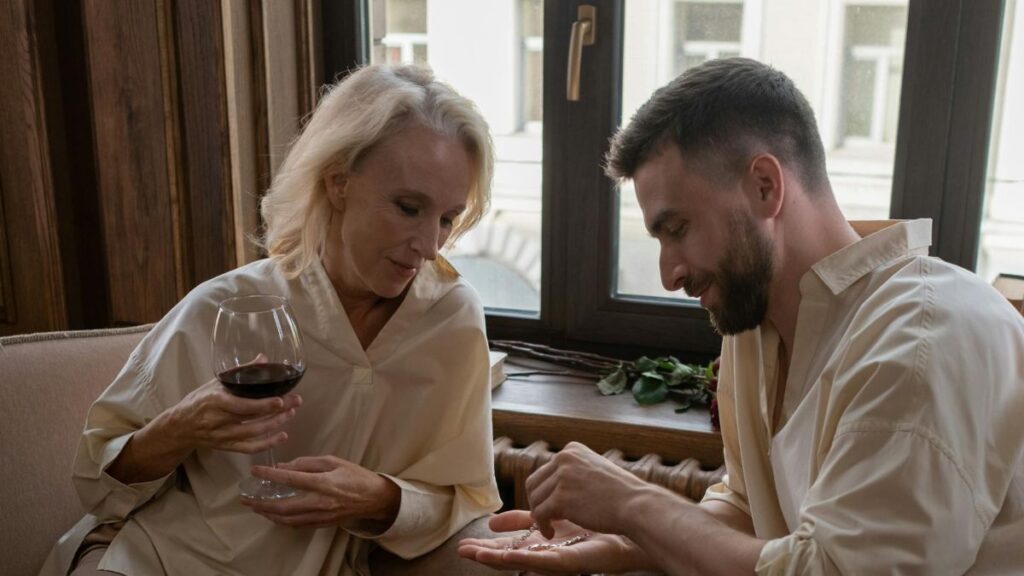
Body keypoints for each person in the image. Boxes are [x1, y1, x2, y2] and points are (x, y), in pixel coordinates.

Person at [459, 57, 1024, 575]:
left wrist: (633, 504)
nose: (668, 275)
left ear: (764, 186)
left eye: (677, 229)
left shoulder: (923, 341)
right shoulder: (755, 325)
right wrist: (627, 538)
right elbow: (752, 509)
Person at [41, 64, 512, 576]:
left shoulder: (451, 319)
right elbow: (97, 482)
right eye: (407, 207)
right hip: (172, 560)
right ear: (338, 183)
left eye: (447, 218)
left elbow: (469, 497)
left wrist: (381, 498)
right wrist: (180, 426)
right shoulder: (228, 305)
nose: (429, 246)